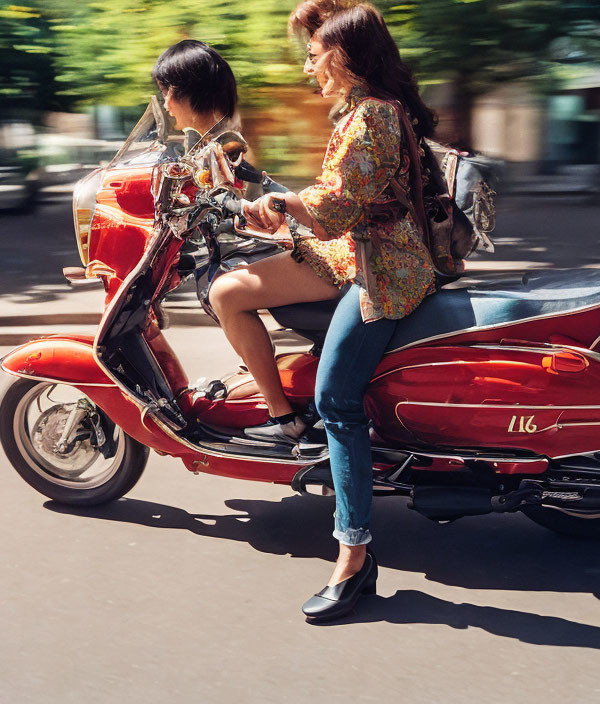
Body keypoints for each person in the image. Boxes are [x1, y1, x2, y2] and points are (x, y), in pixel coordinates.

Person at [209, 1, 436, 619]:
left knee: (337, 400)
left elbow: (335, 209)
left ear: (342, 55)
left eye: (314, 55)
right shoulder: (378, 110)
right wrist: (276, 206)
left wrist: (276, 208)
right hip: (372, 253)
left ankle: (354, 557)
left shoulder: (368, 119)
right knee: (251, 283)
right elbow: (344, 202)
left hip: (382, 273)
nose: (308, 66)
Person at [152, 39, 239, 141]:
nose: (166, 105)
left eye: (165, 91)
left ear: (193, 93)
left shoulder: (221, 152)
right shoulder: (207, 146)